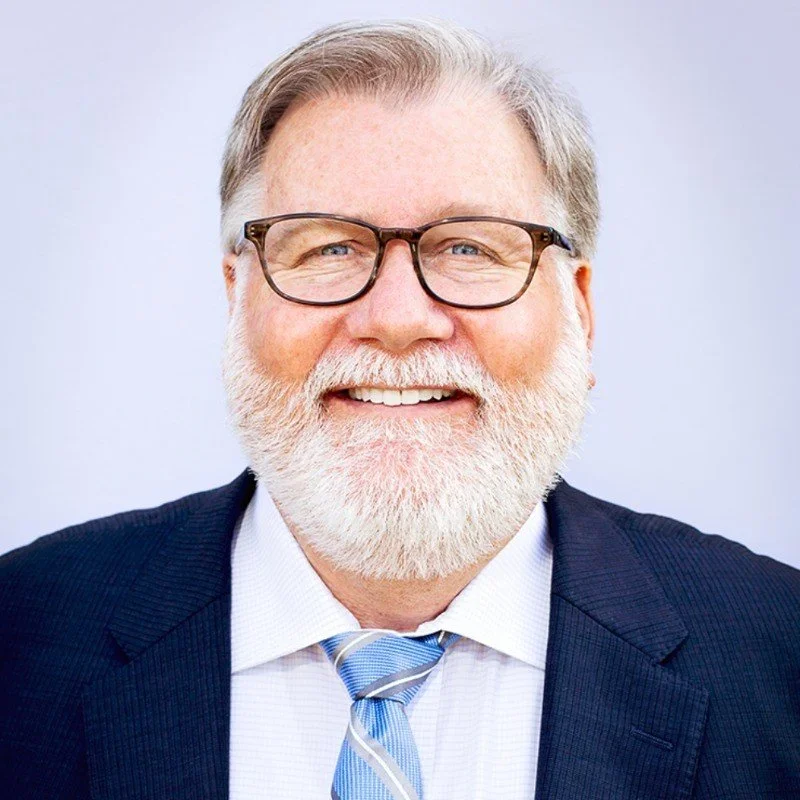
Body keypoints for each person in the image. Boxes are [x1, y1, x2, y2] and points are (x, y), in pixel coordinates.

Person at [1, 18, 798, 800]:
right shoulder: (21, 639)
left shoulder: (777, 655)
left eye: (470, 248)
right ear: (236, 296)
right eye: (328, 248)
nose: (397, 317)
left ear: (581, 312)